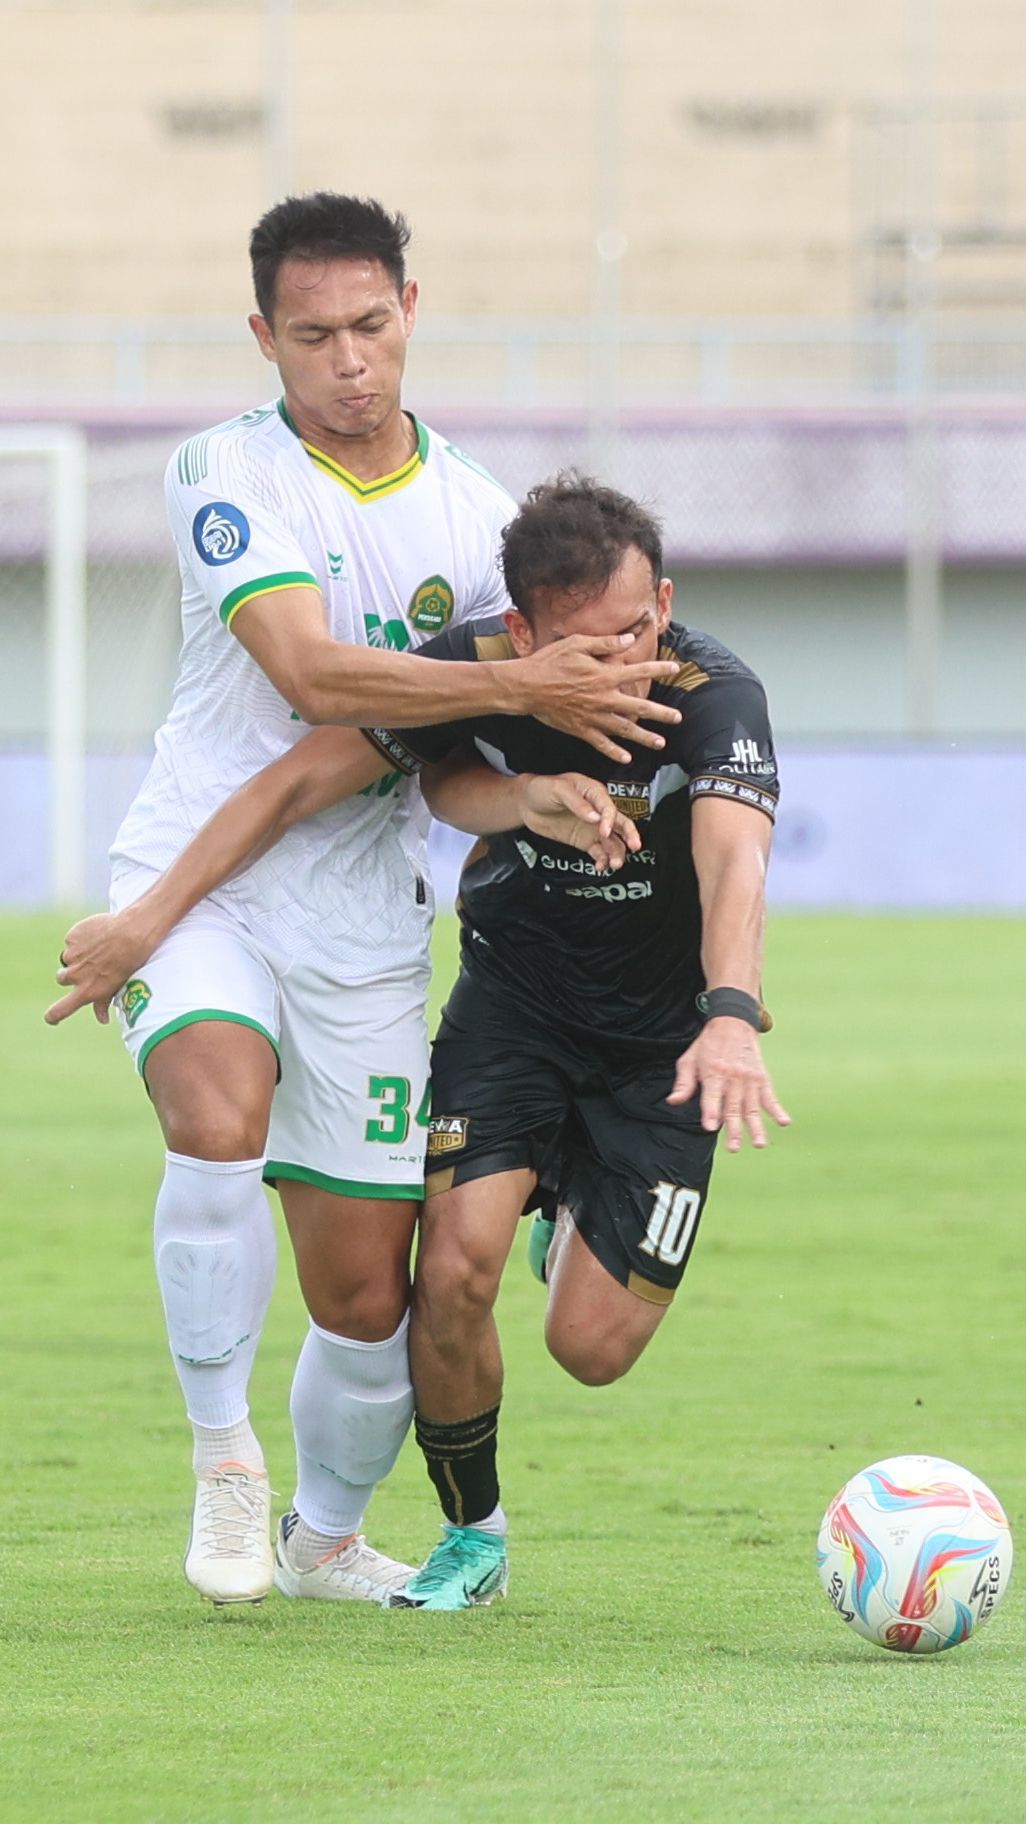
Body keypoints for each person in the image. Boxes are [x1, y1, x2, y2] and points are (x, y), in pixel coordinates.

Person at [71, 193, 682, 1610]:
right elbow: (312, 680)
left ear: (411, 308)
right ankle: (226, 1473)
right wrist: (522, 683)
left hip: (365, 915)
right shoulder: (223, 473)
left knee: (366, 1303)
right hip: (204, 879)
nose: (347, 360)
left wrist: (525, 793)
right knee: (213, 1117)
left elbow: (444, 764)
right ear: (262, 340)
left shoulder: (476, 519)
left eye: (368, 325)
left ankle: (325, 1538)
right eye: (311, 336)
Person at [49, 474, 788, 1611]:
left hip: (661, 1051)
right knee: (448, 1274)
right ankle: (474, 1536)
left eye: (644, 627)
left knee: (592, 1347)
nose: (630, 660)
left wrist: (731, 1015)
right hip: (516, 1018)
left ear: (668, 601)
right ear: (526, 632)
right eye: (594, 646)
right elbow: (299, 781)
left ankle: (576, 1204)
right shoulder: (470, 667)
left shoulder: (715, 696)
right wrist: (144, 922)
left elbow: (735, 860)